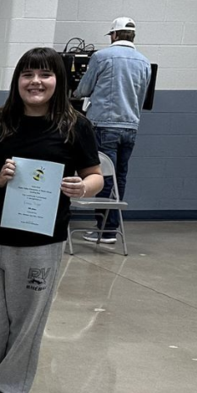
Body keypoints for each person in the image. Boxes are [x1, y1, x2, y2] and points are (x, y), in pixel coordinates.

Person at [0, 48, 104, 393]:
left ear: (59, 80)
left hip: (39, 243)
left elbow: (95, 175)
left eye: (45, 75)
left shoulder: (76, 126)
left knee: (25, 324)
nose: (35, 82)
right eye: (27, 75)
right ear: (17, 80)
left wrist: (81, 187)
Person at [74, 17, 151, 244]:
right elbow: (142, 96)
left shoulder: (102, 57)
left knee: (103, 175)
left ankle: (105, 230)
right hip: (131, 126)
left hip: (105, 125)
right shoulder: (144, 61)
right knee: (120, 177)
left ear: (114, 35)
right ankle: (110, 227)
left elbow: (84, 89)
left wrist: (76, 93)